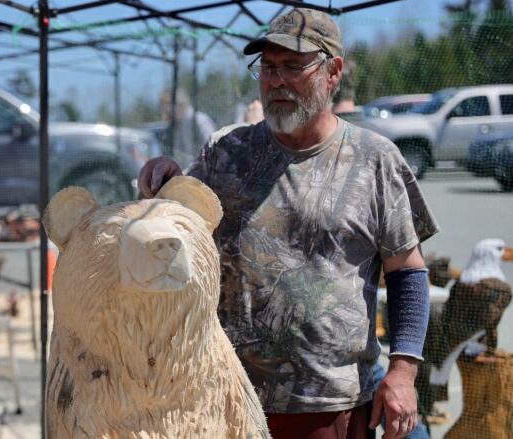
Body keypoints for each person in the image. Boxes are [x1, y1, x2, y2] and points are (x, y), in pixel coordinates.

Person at [139, 8, 438, 439]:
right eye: (268, 67)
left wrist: (404, 371)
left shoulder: (375, 160)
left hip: (328, 407)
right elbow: (177, 227)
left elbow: (408, 272)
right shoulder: (225, 152)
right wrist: (165, 177)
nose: (276, 80)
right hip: (225, 396)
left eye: (293, 66)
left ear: (333, 72)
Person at [159, 88, 217, 168]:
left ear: (177, 104)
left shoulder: (198, 120)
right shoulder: (178, 125)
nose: (164, 110)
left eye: (166, 105)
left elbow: (214, 151)